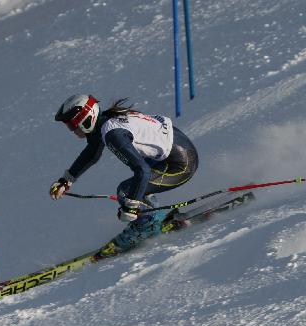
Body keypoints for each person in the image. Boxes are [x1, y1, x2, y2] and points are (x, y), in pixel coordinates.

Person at [50, 94, 199, 253]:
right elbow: (91, 154)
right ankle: (152, 218)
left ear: (86, 119)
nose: (72, 130)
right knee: (136, 186)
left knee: (126, 191)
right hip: (178, 151)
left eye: (72, 125)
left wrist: (131, 208)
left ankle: (146, 226)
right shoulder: (107, 121)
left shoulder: (113, 134)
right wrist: (66, 180)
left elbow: (142, 171)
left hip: (181, 164)